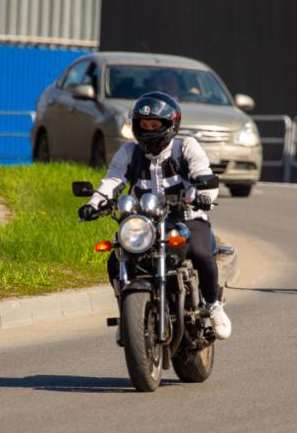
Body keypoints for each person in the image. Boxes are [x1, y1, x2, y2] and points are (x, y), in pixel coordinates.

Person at [77, 91, 232, 339]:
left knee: (202, 252)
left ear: (171, 125)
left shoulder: (185, 147)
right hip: (145, 223)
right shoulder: (129, 152)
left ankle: (214, 306)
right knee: (116, 260)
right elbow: (113, 180)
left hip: (186, 217)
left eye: (154, 125)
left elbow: (203, 173)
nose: (148, 130)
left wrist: (205, 194)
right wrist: (95, 204)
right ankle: (128, 316)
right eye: (144, 125)